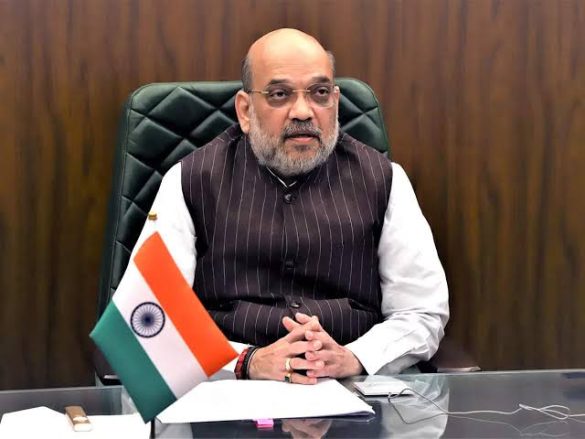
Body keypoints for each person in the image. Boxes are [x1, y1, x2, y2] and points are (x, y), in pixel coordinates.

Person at [132, 28, 449, 384]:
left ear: (335, 102)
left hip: (352, 387)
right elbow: (147, 317)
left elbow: (421, 312)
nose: (303, 112)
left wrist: (355, 357)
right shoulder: (189, 180)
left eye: (320, 93)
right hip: (231, 390)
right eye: (280, 94)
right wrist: (246, 361)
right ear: (245, 110)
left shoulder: (385, 179)